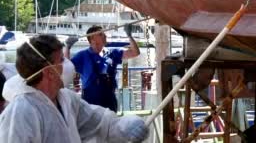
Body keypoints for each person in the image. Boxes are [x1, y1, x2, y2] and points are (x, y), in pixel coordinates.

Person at [0, 34, 148, 142]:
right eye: (61, 60)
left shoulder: (66, 98)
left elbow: (99, 123)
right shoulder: (21, 112)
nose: (68, 64)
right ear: (49, 72)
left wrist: (126, 125)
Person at [66, 24, 140, 112]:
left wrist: (129, 35)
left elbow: (135, 52)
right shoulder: (82, 55)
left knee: (111, 124)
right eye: (101, 34)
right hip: (90, 101)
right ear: (92, 39)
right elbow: (66, 67)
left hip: (109, 100)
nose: (105, 36)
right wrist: (67, 47)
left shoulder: (113, 53)